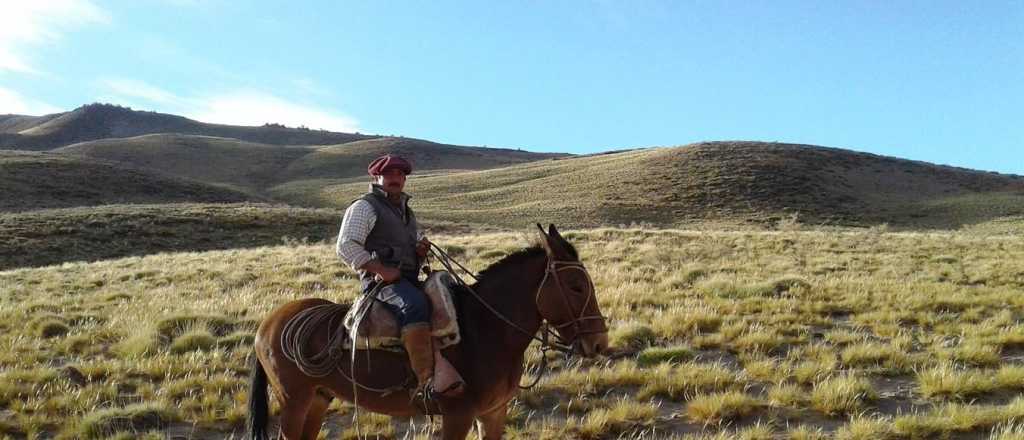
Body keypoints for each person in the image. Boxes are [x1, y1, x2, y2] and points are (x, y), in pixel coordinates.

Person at [335, 154, 441, 399]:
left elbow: (406, 250)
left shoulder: (407, 212)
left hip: (407, 279)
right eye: (389, 174)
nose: (395, 178)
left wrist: (419, 252)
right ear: (377, 177)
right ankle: (425, 383)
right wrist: (381, 270)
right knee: (414, 305)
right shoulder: (365, 206)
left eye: (400, 174)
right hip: (379, 282)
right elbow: (345, 245)